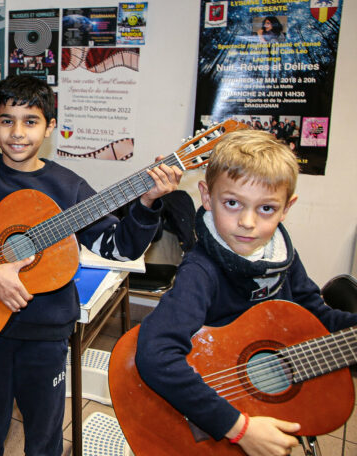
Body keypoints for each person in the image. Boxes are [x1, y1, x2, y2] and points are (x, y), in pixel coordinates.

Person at [0, 75, 182, 456]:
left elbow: (116, 247)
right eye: (7, 120)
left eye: (31, 121)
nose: (17, 133)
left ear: (50, 127)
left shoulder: (68, 186)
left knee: (45, 438)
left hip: (47, 334)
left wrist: (148, 204)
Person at [135, 129, 357, 456]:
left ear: (286, 208)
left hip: (262, 402)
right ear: (207, 197)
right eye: (233, 203)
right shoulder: (202, 271)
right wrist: (239, 429)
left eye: (266, 208)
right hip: (219, 416)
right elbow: (155, 353)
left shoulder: (282, 258)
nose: (247, 222)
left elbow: (316, 318)